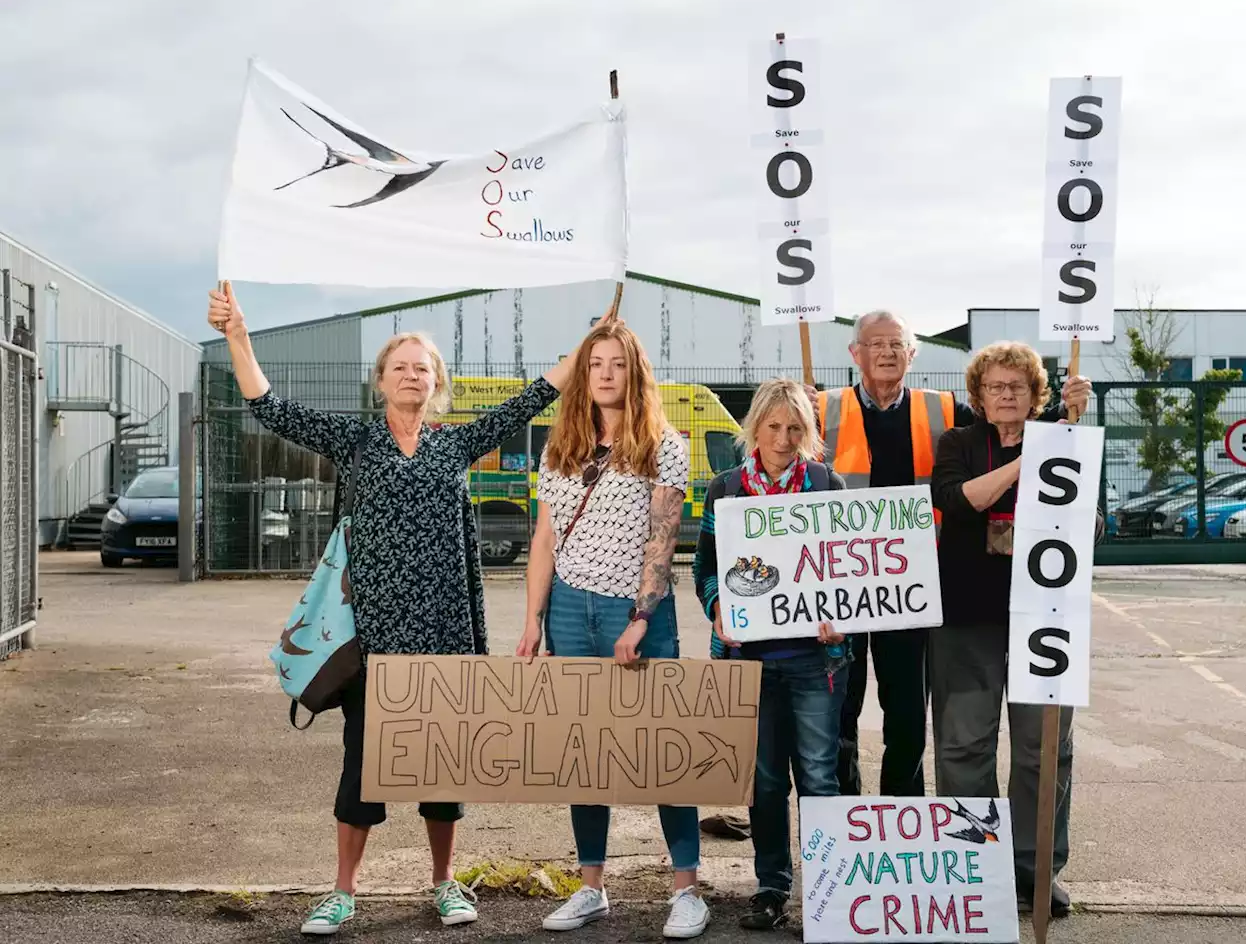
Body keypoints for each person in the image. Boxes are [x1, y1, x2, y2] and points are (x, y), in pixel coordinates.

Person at [207, 281, 589, 937]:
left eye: (423, 367)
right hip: (374, 638)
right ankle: (342, 892)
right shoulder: (354, 441)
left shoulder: (455, 443)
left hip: (443, 634)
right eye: (401, 366)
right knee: (363, 766)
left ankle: (443, 884)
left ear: (436, 382)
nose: (412, 374)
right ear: (380, 379)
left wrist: (588, 345)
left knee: (441, 768)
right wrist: (238, 336)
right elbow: (268, 407)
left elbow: (535, 396)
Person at [805, 310, 1092, 798]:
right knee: (836, 717)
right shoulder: (823, 407)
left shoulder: (945, 411)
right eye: (875, 344)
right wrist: (798, 410)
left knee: (909, 721)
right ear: (854, 353)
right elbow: (784, 452)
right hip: (843, 585)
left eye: (897, 344)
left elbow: (1019, 437)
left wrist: (1068, 417)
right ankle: (846, 830)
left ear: (913, 354)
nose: (887, 352)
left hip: (915, 588)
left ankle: (904, 824)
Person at [517, 321, 708, 940]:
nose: (603, 373)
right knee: (583, 751)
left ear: (634, 373)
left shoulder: (665, 444)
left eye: (616, 364)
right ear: (581, 373)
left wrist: (642, 617)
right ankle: (592, 887)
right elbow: (545, 539)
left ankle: (686, 890)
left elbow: (663, 541)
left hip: (637, 611)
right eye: (594, 363)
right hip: (571, 607)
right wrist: (532, 620)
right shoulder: (560, 447)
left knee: (662, 744)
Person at [930, 341, 1101, 918]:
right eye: (996, 387)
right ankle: (974, 866)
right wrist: (1031, 460)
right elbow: (957, 501)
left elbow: (1092, 525)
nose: (1006, 396)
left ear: (1036, 395)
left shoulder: (1067, 441)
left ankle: (1035, 868)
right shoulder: (957, 443)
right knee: (963, 746)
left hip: (1045, 620)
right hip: (965, 617)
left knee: (1042, 749)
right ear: (978, 395)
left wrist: (1065, 443)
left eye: (1018, 387)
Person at [693, 378, 849, 932]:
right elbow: (705, 568)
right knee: (762, 780)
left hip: (815, 660)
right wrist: (718, 607)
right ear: (754, 427)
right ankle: (771, 886)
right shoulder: (726, 490)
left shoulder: (828, 486)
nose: (784, 439)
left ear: (809, 433)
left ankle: (831, 895)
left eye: (795, 428)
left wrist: (842, 618)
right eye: (774, 426)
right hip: (747, 663)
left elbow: (847, 570)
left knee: (819, 777)